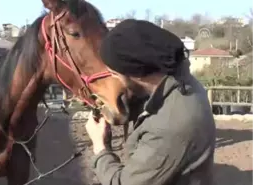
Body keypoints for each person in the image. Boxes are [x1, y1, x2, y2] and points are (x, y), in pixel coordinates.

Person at [85, 19, 216, 185]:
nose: (115, 80)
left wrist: (100, 146)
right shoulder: (183, 82)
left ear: (137, 74)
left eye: (115, 74)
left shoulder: (169, 126)